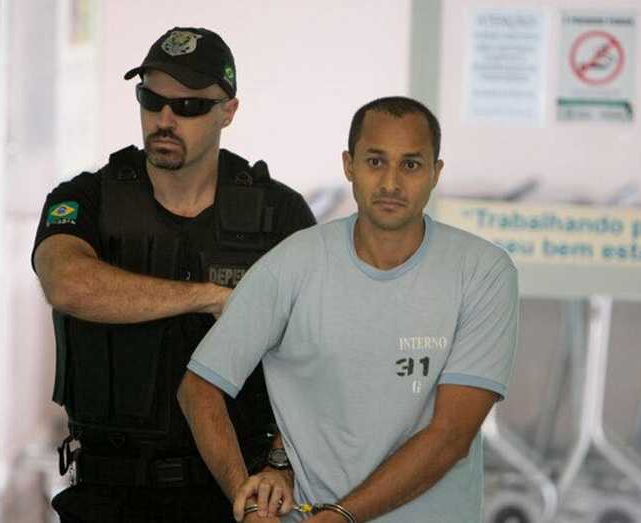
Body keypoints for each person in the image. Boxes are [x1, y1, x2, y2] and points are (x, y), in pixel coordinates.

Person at [178, 96, 519, 522]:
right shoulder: (293, 263)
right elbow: (198, 387)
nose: (391, 182)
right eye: (375, 161)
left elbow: (450, 435)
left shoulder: (483, 271)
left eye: (411, 165)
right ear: (349, 165)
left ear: (436, 173)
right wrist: (244, 499)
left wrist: (342, 515)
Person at [32, 26, 316, 523]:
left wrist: (281, 463)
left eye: (189, 106)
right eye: (152, 99)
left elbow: (315, 359)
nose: (165, 119)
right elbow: (67, 283)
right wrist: (208, 297)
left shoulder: (280, 215)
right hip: (108, 495)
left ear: (228, 111)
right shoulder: (86, 199)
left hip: (235, 492)